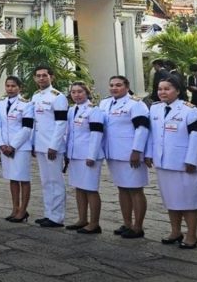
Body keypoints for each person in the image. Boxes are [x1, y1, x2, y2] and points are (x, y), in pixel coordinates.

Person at [147, 74, 197, 249]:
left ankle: (192, 235)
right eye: (160, 89)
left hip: (183, 164)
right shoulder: (155, 109)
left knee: (188, 201)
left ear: (178, 90)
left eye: (167, 89)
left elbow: (196, 136)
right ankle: (175, 231)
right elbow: (152, 135)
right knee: (171, 199)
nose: (162, 92)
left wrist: (191, 160)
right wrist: (149, 154)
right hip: (164, 162)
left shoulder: (190, 110)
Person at [99, 75, 150, 239]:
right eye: (112, 85)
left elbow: (142, 128)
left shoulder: (136, 104)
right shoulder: (105, 103)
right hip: (113, 152)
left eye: (118, 85)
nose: (114, 88)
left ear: (127, 87)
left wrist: (137, 150)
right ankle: (127, 223)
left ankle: (138, 226)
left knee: (135, 189)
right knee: (122, 188)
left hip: (130, 154)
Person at [64, 82, 105, 234]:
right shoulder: (71, 110)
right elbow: (69, 134)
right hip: (75, 154)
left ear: (87, 93)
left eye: (80, 92)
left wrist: (92, 155)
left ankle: (94, 223)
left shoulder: (94, 111)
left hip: (89, 155)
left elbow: (96, 134)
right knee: (79, 188)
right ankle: (82, 219)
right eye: (73, 92)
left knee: (90, 188)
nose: (77, 95)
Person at [30, 66, 69, 228]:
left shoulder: (57, 97)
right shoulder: (35, 96)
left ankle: (57, 217)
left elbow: (61, 123)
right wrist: (33, 143)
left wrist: (54, 146)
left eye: (44, 75)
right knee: (46, 181)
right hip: (40, 144)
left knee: (56, 181)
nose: (41, 78)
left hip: (52, 146)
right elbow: (34, 122)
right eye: (38, 76)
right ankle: (49, 214)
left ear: (51, 77)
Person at [0, 76, 33, 223]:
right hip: (5, 147)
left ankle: (23, 210)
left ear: (20, 88)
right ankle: (15, 208)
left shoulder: (26, 105)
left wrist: (13, 145)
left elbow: (27, 127)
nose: (10, 88)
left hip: (21, 147)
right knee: (12, 178)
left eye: (13, 86)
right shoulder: (0, 103)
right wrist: (2, 144)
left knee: (23, 178)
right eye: (8, 86)